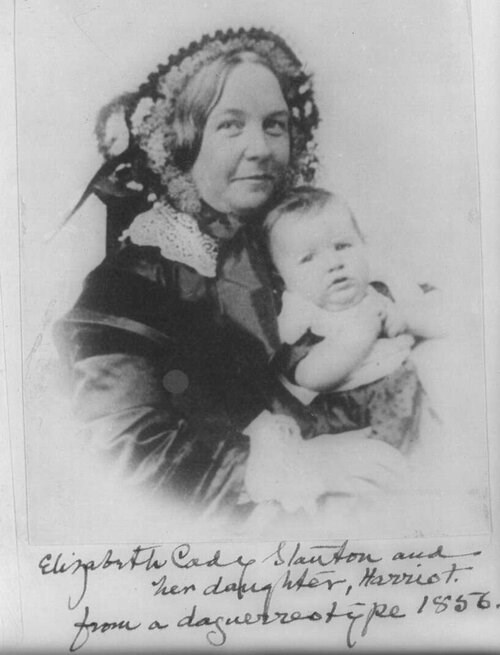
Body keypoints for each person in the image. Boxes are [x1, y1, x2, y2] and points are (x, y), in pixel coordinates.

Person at [54, 28, 405, 524]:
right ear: (182, 141)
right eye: (231, 126)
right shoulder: (132, 280)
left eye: (275, 125)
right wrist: (306, 469)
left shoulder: (295, 249)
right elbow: (126, 453)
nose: (261, 147)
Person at [262, 187, 447, 451]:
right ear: (282, 279)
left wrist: (407, 320)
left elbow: (444, 319)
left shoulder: (381, 292)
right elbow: (311, 375)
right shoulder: (303, 322)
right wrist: (362, 333)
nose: (333, 263)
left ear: (363, 244)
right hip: (349, 420)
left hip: (407, 403)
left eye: (342, 245)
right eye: (308, 258)